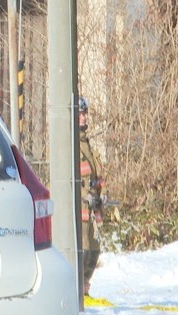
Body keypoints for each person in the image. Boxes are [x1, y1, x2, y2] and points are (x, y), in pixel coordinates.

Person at [78, 96, 103, 297]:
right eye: (81, 114)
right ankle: (77, 290)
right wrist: (85, 195)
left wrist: (99, 196)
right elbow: (69, 177)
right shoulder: (70, 144)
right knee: (83, 251)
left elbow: (94, 174)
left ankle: (85, 286)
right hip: (79, 210)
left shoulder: (86, 143)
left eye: (85, 114)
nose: (84, 118)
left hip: (92, 209)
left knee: (94, 250)